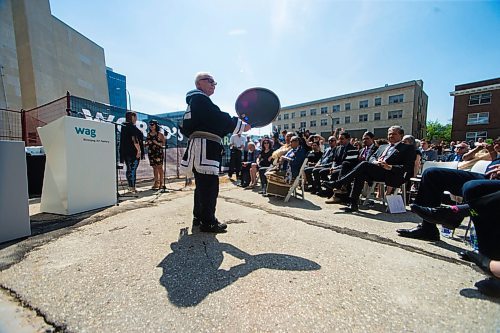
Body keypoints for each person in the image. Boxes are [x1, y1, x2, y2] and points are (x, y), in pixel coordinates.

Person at [180, 72, 250, 233]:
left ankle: (199, 216)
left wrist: (231, 126)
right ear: (199, 84)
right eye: (209, 81)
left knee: (202, 185)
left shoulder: (195, 101)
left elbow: (194, 125)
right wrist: (239, 125)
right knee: (209, 186)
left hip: (201, 144)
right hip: (205, 146)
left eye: (214, 82)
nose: (213, 84)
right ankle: (208, 222)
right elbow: (217, 118)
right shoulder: (200, 99)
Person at [397, 137, 500, 241]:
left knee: (473, 187)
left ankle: (455, 214)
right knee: (432, 174)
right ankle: (428, 228)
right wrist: (492, 150)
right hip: (488, 176)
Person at [324, 126, 416, 212]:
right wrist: (375, 162)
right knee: (359, 173)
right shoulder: (383, 146)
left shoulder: (407, 148)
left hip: (392, 174)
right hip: (377, 170)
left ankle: (339, 183)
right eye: (389, 134)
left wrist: (389, 166)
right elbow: (372, 157)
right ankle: (353, 203)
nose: (391, 136)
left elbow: (408, 167)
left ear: (401, 135)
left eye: (394, 134)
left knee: (363, 165)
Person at [119, 111, 144, 193]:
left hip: (125, 152)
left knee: (129, 169)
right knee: (132, 170)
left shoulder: (124, 126)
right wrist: (139, 150)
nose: (136, 119)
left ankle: (130, 187)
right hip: (132, 152)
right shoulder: (130, 126)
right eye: (135, 117)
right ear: (132, 117)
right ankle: (132, 187)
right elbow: (134, 139)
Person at [145, 120, 165, 189]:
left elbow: (163, 144)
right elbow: (147, 143)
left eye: (152, 124)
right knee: (154, 167)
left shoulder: (160, 134)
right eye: (150, 124)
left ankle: (161, 183)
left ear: (156, 125)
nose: (151, 126)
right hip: (151, 152)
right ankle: (156, 182)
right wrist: (146, 144)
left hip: (158, 152)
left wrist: (156, 143)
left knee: (159, 167)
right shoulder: (148, 134)